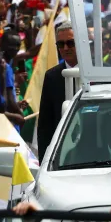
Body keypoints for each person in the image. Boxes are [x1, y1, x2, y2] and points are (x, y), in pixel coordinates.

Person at [38, 22, 77, 162]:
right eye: (61, 44)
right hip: (62, 152)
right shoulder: (52, 76)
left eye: (71, 43)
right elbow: (45, 123)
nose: (65, 48)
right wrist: (45, 160)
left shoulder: (97, 73)